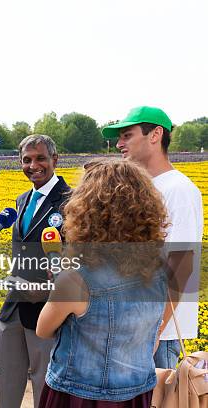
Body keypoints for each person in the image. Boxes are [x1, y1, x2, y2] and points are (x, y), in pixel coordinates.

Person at [36, 158, 168, 407]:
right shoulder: (160, 268)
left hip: (78, 394)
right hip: (137, 391)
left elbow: (43, 329)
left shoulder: (76, 278)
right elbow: (152, 334)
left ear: (86, 211)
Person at [103, 106, 204, 369]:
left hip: (157, 333)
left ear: (155, 134)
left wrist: (155, 330)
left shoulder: (178, 190)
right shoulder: (141, 188)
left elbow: (181, 267)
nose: (119, 144)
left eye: (126, 135)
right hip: (131, 325)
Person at [0, 134, 70, 408]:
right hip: (14, 304)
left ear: (54, 160)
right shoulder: (22, 198)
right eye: (26, 160)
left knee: (45, 386)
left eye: (40, 158)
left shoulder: (71, 201)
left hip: (48, 309)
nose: (33, 165)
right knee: (0, 381)